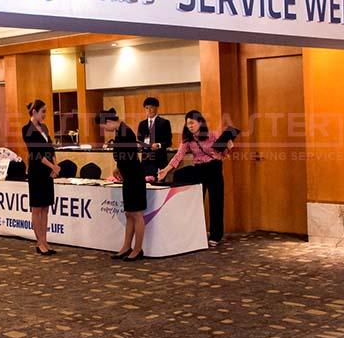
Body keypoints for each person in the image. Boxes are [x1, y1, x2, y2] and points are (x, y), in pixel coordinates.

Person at [158, 110, 239, 247]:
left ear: (200, 122)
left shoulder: (212, 135)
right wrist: (166, 170)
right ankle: (195, 233)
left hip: (214, 168)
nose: (189, 126)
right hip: (199, 170)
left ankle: (216, 235)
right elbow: (178, 156)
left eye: (192, 123)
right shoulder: (187, 139)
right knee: (192, 195)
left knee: (216, 202)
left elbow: (223, 153)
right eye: (187, 123)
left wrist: (229, 147)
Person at [96, 108, 146, 261]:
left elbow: (129, 157)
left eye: (104, 127)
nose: (105, 130)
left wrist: (120, 166)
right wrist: (118, 167)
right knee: (129, 213)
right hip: (128, 176)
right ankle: (126, 246)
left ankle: (137, 249)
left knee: (137, 214)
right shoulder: (120, 131)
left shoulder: (126, 132)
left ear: (109, 121)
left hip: (134, 177)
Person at [22, 99, 61, 257]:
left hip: (47, 172)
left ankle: (45, 241)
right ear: (34, 112)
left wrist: (55, 164)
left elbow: (50, 148)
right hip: (37, 171)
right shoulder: (27, 129)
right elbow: (36, 153)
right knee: (37, 208)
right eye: (43, 111)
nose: (45, 114)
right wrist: (52, 166)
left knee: (46, 208)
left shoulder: (44, 128)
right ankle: (39, 243)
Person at [137, 97, 172, 180]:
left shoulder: (164, 122)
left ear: (156, 108)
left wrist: (158, 145)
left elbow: (168, 142)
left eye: (151, 107)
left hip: (159, 160)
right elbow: (140, 139)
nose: (149, 110)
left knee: (159, 184)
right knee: (145, 184)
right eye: (146, 108)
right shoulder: (142, 124)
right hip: (146, 160)